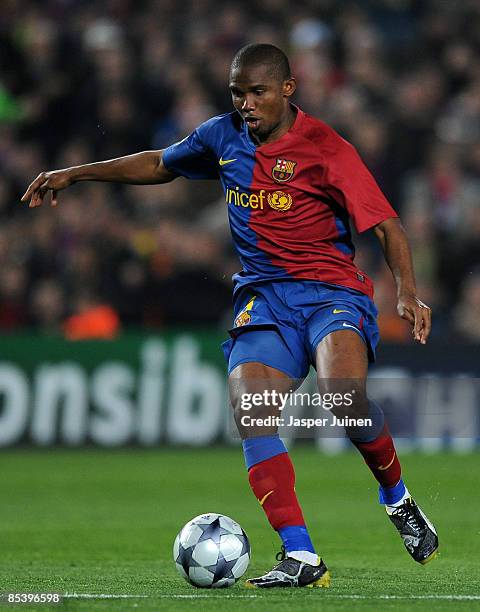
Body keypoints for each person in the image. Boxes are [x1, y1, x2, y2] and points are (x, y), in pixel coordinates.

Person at [21, 43, 438, 588]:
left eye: (257, 92)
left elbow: (386, 225)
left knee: (344, 400)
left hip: (330, 292)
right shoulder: (222, 136)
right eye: (237, 92)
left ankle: (397, 497)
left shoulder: (326, 148)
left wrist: (407, 291)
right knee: (253, 411)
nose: (246, 103)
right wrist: (75, 173)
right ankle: (301, 556)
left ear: (288, 89)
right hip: (264, 298)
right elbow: (159, 163)